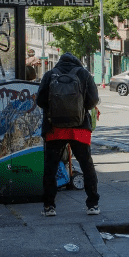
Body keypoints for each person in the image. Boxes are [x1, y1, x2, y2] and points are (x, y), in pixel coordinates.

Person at [35, 52, 101, 217]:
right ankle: (92, 205)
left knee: (50, 168)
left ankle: (49, 207)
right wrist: (79, 109)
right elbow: (93, 100)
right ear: (76, 62)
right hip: (79, 128)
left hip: (54, 128)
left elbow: (40, 101)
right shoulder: (84, 74)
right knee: (87, 166)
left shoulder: (50, 75)